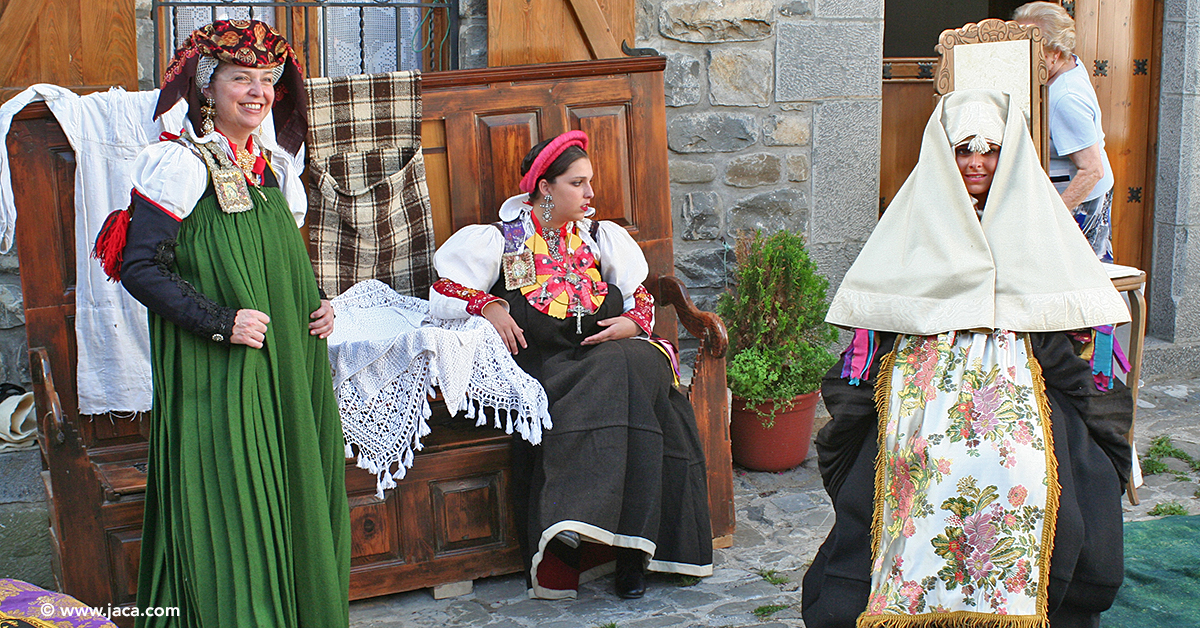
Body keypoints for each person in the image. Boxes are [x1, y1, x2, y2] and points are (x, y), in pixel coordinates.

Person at [802, 90, 1133, 628]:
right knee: (920, 459)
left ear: (1013, 154)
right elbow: (880, 313)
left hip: (1029, 368)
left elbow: (1076, 317)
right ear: (943, 153)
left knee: (1032, 468)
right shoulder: (913, 217)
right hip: (922, 376)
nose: (977, 162)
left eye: (991, 149)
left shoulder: (1042, 219)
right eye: (963, 149)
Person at [93, 20, 349, 627]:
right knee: (235, 507)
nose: (259, 92)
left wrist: (315, 300)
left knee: (295, 491)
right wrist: (221, 321)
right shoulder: (176, 162)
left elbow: (274, 254)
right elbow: (139, 267)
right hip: (222, 365)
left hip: (287, 357)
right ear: (209, 88)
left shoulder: (274, 168)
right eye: (242, 79)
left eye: (268, 79)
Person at [429, 131, 713, 600]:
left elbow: (640, 293)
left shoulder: (600, 237)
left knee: (634, 360)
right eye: (578, 184)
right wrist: (489, 305)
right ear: (545, 187)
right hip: (552, 366)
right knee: (641, 387)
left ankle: (613, 544)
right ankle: (628, 554)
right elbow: (444, 290)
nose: (590, 194)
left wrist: (631, 322)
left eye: (590, 183)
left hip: (613, 356)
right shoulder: (503, 241)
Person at [1015, 1, 1116, 262]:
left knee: (1081, 278)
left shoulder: (1066, 97)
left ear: (1056, 54)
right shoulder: (1063, 69)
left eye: (1031, 49)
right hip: (1071, 195)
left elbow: (1092, 170)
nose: (1021, 56)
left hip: (1081, 201)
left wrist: (1053, 216)